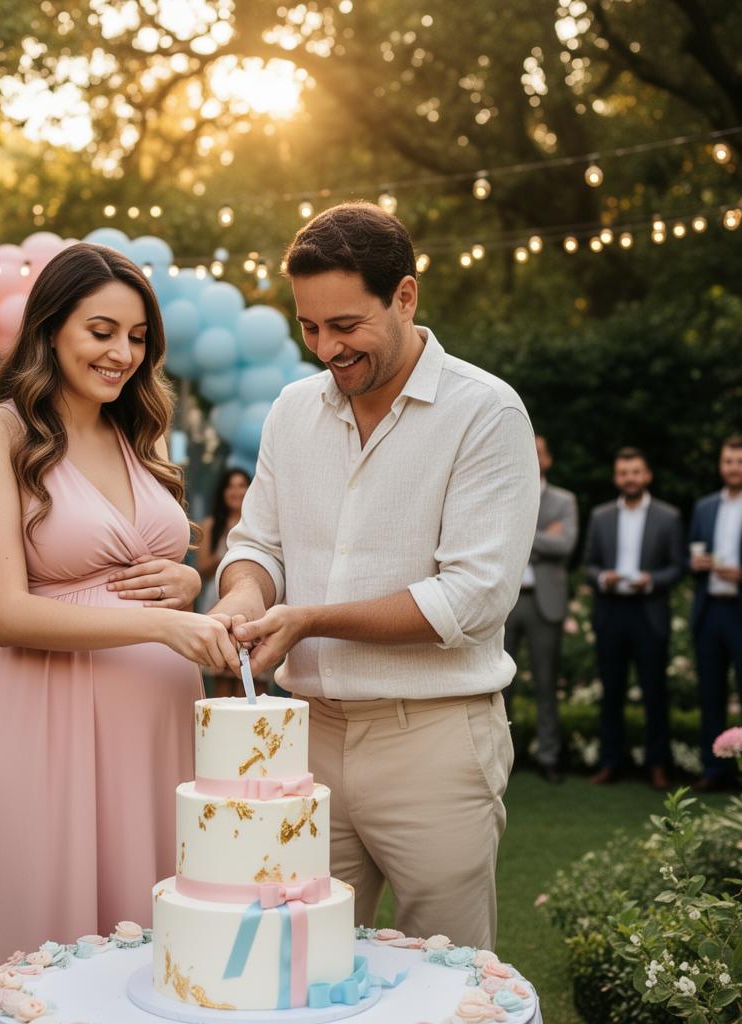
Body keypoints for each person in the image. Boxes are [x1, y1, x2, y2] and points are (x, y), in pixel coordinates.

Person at [209, 202, 539, 951]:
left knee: (446, 975)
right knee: (299, 964)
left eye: (345, 326)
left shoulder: (486, 413)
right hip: (307, 738)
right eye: (309, 328)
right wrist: (241, 600)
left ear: (406, 296)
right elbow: (257, 543)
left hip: (434, 739)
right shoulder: (292, 411)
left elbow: (473, 601)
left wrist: (311, 619)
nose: (326, 347)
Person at [0, 243, 240, 1024]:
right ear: (52, 328)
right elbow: (6, 610)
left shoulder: (143, 436)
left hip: (155, 726)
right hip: (46, 711)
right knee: (49, 939)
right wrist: (162, 624)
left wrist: (189, 580)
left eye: (137, 338)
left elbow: (164, 557)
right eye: (102, 331)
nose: (122, 354)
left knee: (152, 935)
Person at [583, 447, 684, 790]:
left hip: (648, 612)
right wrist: (601, 578)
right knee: (612, 692)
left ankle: (657, 765)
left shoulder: (668, 517)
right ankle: (611, 763)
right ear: (616, 477)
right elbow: (588, 565)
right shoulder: (600, 516)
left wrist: (652, 580)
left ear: (647, 475)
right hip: (611, 611)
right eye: (624, 472)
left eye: (636, 472)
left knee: (655, 692)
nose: (630, 478)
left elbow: (677, 566)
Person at [503, 434, 578, 783]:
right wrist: (542, 534)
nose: (533, 458)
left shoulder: (565, 500)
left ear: (548, 460)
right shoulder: (501, 494)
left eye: (539, 453)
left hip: (544, 603)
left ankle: (549, 756)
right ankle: (502, 760)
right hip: (504, 603)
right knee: (500, 685)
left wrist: (521, 533)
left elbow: (565, 544)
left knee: (547, 684)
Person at [688, 435, 742, 791]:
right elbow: (689, 555)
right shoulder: (705, 507)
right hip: (710, 611)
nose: (733, 467)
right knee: (710, 693)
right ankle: (713, 769)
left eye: (738, 461)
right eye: (727, 461)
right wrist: (696, 563)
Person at [196, 467, 252, 696]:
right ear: (223, 492)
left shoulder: (255, 524)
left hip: (250, 597)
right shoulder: (211, 524)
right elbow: (203, 568)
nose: (236, 491)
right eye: (231, 486)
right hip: (217, 597)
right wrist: (229, 556)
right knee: (221, 673)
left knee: (252, 673)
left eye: (241, 485)